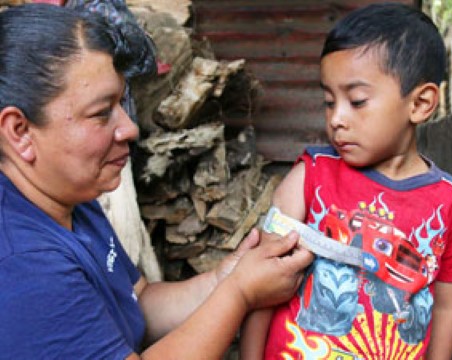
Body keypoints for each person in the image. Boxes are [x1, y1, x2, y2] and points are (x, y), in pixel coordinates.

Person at [0, 4, 314, 359]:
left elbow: (138, 303)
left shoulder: (66, 197)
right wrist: (239, 294)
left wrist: (222, 280)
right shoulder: (23, 265)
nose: (129, 128)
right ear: (20, 132)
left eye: (122, 103)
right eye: (102, 112)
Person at [239, 3, 452, 360]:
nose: (336, 118)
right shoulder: (311, 175)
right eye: (328, 101)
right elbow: (259, 284)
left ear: (421, 103)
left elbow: (446, 308)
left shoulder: (449, 203)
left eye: (357, 101)